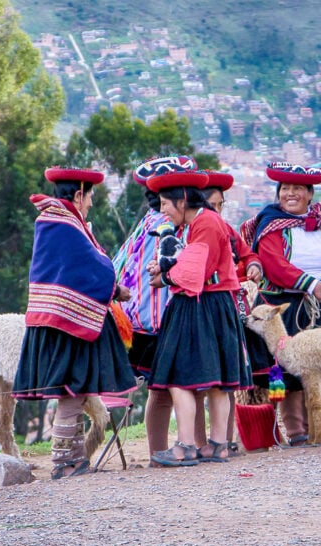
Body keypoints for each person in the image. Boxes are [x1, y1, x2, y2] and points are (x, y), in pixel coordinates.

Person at [13, 166, 138, 479]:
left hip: (60, 319)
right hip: (66, 324)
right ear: (79, 194)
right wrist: (115, 289)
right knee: (72, 390)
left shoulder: (55, 221)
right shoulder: (64, 225)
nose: (91, 203)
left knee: (75, 390)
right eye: (90, 195)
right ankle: (64, 463)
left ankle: (74, 458)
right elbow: (92, 268)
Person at [145, 165, 253, 466]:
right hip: (217, 306)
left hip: (199, 306)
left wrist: (165, 278)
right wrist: (168, 268)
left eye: (166, 204)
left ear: (182, 199)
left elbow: (196, 272)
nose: (163, 211)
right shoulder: (205, 222)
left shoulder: (203, 225)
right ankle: (218, 445)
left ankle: (186, 446)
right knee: (217, 379)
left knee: (180, 376)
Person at [239, 161, 321, 446]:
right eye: (285, 189)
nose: (291, 194)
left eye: (298, 189)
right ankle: (295, 430)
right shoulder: (271, 224)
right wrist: (311, 284)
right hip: (285, 305)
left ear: (310, 194)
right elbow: (273, 262)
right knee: (289, 368)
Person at [112, 155, 208, 458]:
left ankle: (163, 450)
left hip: (137, 321)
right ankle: (190, 447)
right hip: (164, 322)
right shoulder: (171, 228)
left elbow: (119, 265)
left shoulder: (145, 224)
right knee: (176, 389)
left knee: (163, 390)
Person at [202, 170, 263, 456]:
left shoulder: (226, 230)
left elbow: (248, 254)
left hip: (232, 309)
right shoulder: (197, 231)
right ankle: (204, 441)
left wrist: (253, 267)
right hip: (206, 309)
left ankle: (227, 439)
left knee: (228, 378)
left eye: (220, 206)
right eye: (212, 205)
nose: (217, 211)